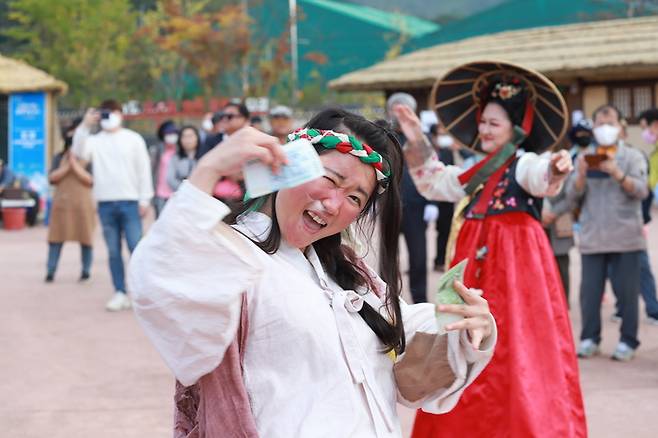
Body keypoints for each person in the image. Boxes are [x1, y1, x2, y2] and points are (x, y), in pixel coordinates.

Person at [128, 108, 497, 437]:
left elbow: (401, 346)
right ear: (289, 163)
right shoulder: (231, 255)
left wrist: (459, 325)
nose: (334, 204)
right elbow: (160, 286)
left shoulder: (349, 272)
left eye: (355, 198)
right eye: (329, 179)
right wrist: (207, 171)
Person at [400, 62, 585, 437]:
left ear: (518, 129)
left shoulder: (524, 166)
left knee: (517, 343)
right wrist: (416, 139)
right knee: (462, 337)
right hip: (475, 264)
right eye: (482, 122)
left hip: (516, 268)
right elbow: (436, 183)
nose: (483, 129)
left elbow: (542, 176)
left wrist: (557, 167)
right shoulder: (475, 170)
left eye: (493, 124)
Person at [567, 105, 648, 361]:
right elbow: (572, 196)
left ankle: (628, 341)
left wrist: (617, 173)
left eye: (610, 123)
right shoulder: (584, 157)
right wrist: (580, 176)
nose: (605, 129)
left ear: (620, 126)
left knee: (627, 295)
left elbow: (642, 191)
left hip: (626, 237)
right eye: (600, 124)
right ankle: (590, 338)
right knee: (589, 295)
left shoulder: (632, 156)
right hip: (593, 236)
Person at [73, 99, 153, 312]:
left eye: (112, 112)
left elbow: (143, 169)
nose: (109, 117)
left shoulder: (133, 139)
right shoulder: (95, 140)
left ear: (120, 113)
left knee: (136, 249)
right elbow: (80, 152)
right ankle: (120, 291)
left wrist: (145, 198)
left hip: (130, 201)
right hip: (106, 202)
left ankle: (141, 293)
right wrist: (85, 124)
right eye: (104, 113)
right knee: (113, 251)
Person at [387, 93, 437, 304]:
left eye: (405, 109)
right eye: (396, 109)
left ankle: (421, 301)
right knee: (386, 256)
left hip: (416, 205)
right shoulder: (383, 137)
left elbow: (432, 173)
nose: (400, 114)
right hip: (388, 205)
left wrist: (432, 202)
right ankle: (387, 300)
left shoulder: (419, 140)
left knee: (418, 257)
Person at [542, 121, 593, 303]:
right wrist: (541, 212)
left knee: (562, 265)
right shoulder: (528, 160)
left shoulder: (566, 160)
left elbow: (571, 196)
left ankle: (563, 304)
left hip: (560, 220)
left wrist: (553, 212)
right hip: (538, 220)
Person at [45, 119, 95, 282]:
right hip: (62, 204)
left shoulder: (88, 156)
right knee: (55, 239)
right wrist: (67, 166)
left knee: (86, 238)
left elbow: (90, 180)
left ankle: (86, 271)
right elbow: (52, 178)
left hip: (83, 204)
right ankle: (51, 271)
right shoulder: (58, 157)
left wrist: (75, 165)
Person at [149, 120, 179, 218]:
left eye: (174, 133)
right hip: (160, 194)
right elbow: (151, 171)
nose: (172, 136)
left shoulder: (181, 150)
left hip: (177, 194)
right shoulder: (156, 151)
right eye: (169, 133)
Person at [166, 125, 200, 192]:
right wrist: (185, 189)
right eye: (184, 137)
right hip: (182, 195)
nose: (187, 140)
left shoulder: (204, 157)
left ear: (197, 137)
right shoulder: (175, 158)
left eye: (190, 136)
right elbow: (170, 179)